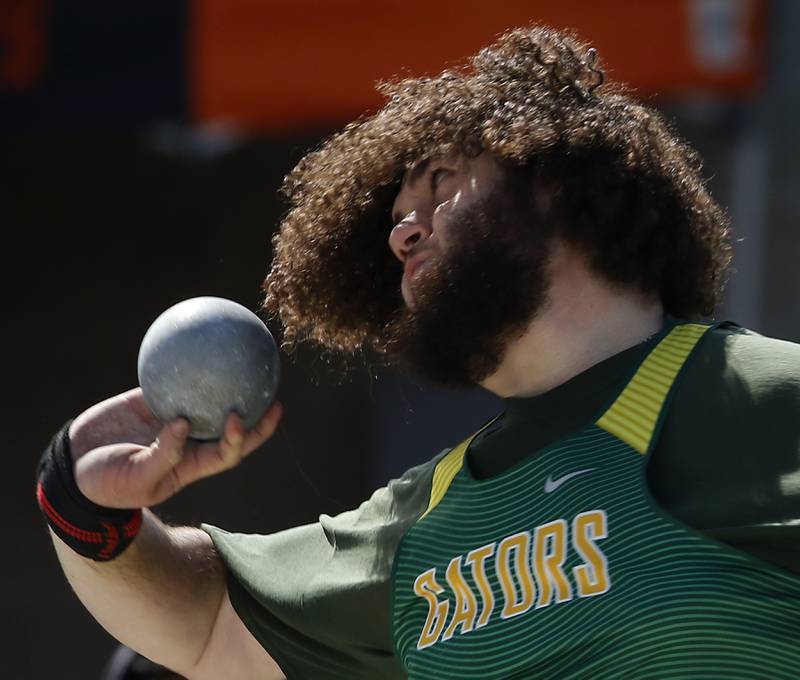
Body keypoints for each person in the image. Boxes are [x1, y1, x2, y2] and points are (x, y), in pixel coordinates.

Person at [38, 25, 800, 680]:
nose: (405, 230)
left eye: (443, 185)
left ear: (561, 183)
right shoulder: (423, 520)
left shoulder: (762, 402)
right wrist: (81, 501)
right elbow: (203, 629)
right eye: (399, 219)